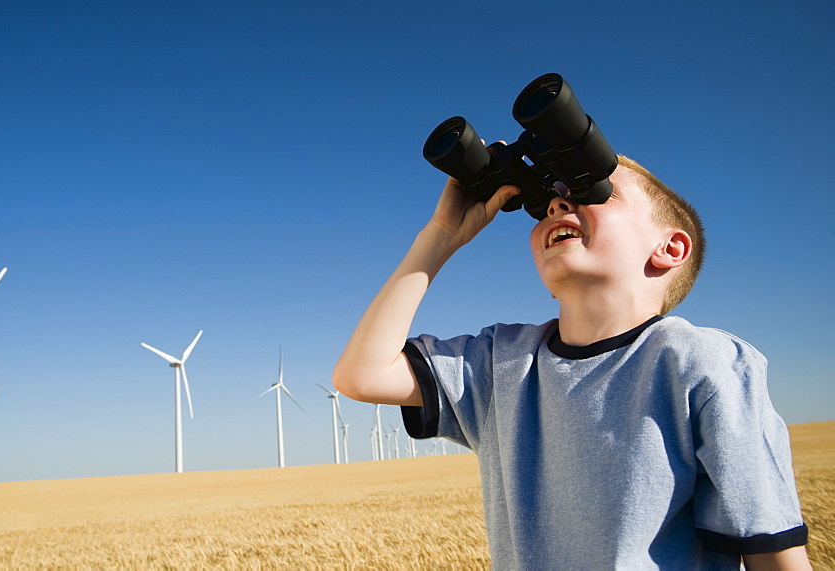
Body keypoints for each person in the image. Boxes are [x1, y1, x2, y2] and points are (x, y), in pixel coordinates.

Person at [333, 154, 810, 569]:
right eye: (548, 201)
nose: (558, 204)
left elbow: (773, 553)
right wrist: (440, 236)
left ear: (670, 248)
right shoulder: (503, 363)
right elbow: (362, 374)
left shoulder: (703, 363)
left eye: (590, 188)